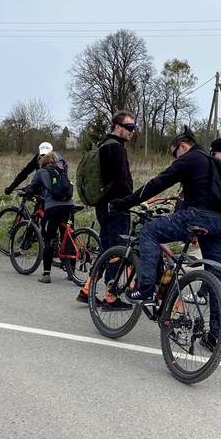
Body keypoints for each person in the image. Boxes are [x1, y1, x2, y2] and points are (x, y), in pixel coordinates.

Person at [110, 127, 221, 348]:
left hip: (199, 217)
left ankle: (146, 289)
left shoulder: (190, 159)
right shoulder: (212, 161)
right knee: (216, 275)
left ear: (183, 146)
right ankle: (215, 336)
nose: (174, 158)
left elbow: (158, 183)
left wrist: (125, 202)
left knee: (148, 231)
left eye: (174, 153)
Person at [76, 112, 136, 306]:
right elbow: (120, 181)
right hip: (116, 207)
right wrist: (132, 200)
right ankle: (112, 296)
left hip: (103, 206)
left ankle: (87, 290)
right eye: (129, 127)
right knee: (117, 251)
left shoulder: (103, 145)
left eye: (134, 127)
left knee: (105, 248)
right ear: (117, 126)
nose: (132, 131)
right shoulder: (117, 149)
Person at [28, 151, 73, 283]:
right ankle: (71, 272)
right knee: (68, 235)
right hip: (69, 206)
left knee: (48, 239)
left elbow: (33, 188)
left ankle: (46, 274)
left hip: (53, 208)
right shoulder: (62, 169)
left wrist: (26, 192)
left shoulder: (42, 172)